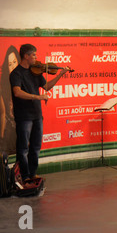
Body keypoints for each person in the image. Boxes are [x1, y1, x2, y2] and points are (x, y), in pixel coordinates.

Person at [10, 43, 69, 181]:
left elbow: (47, 86)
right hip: (24, 116)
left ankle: (32, 173)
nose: (36, 58)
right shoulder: (16, 73)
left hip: (37, 115)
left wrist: (60, 74)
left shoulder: (35, 71)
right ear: (26, 56)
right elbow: (17, 92)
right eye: (34, 55)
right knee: (23, 149)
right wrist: (38, 97)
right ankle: (24, 176)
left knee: (35, 147)